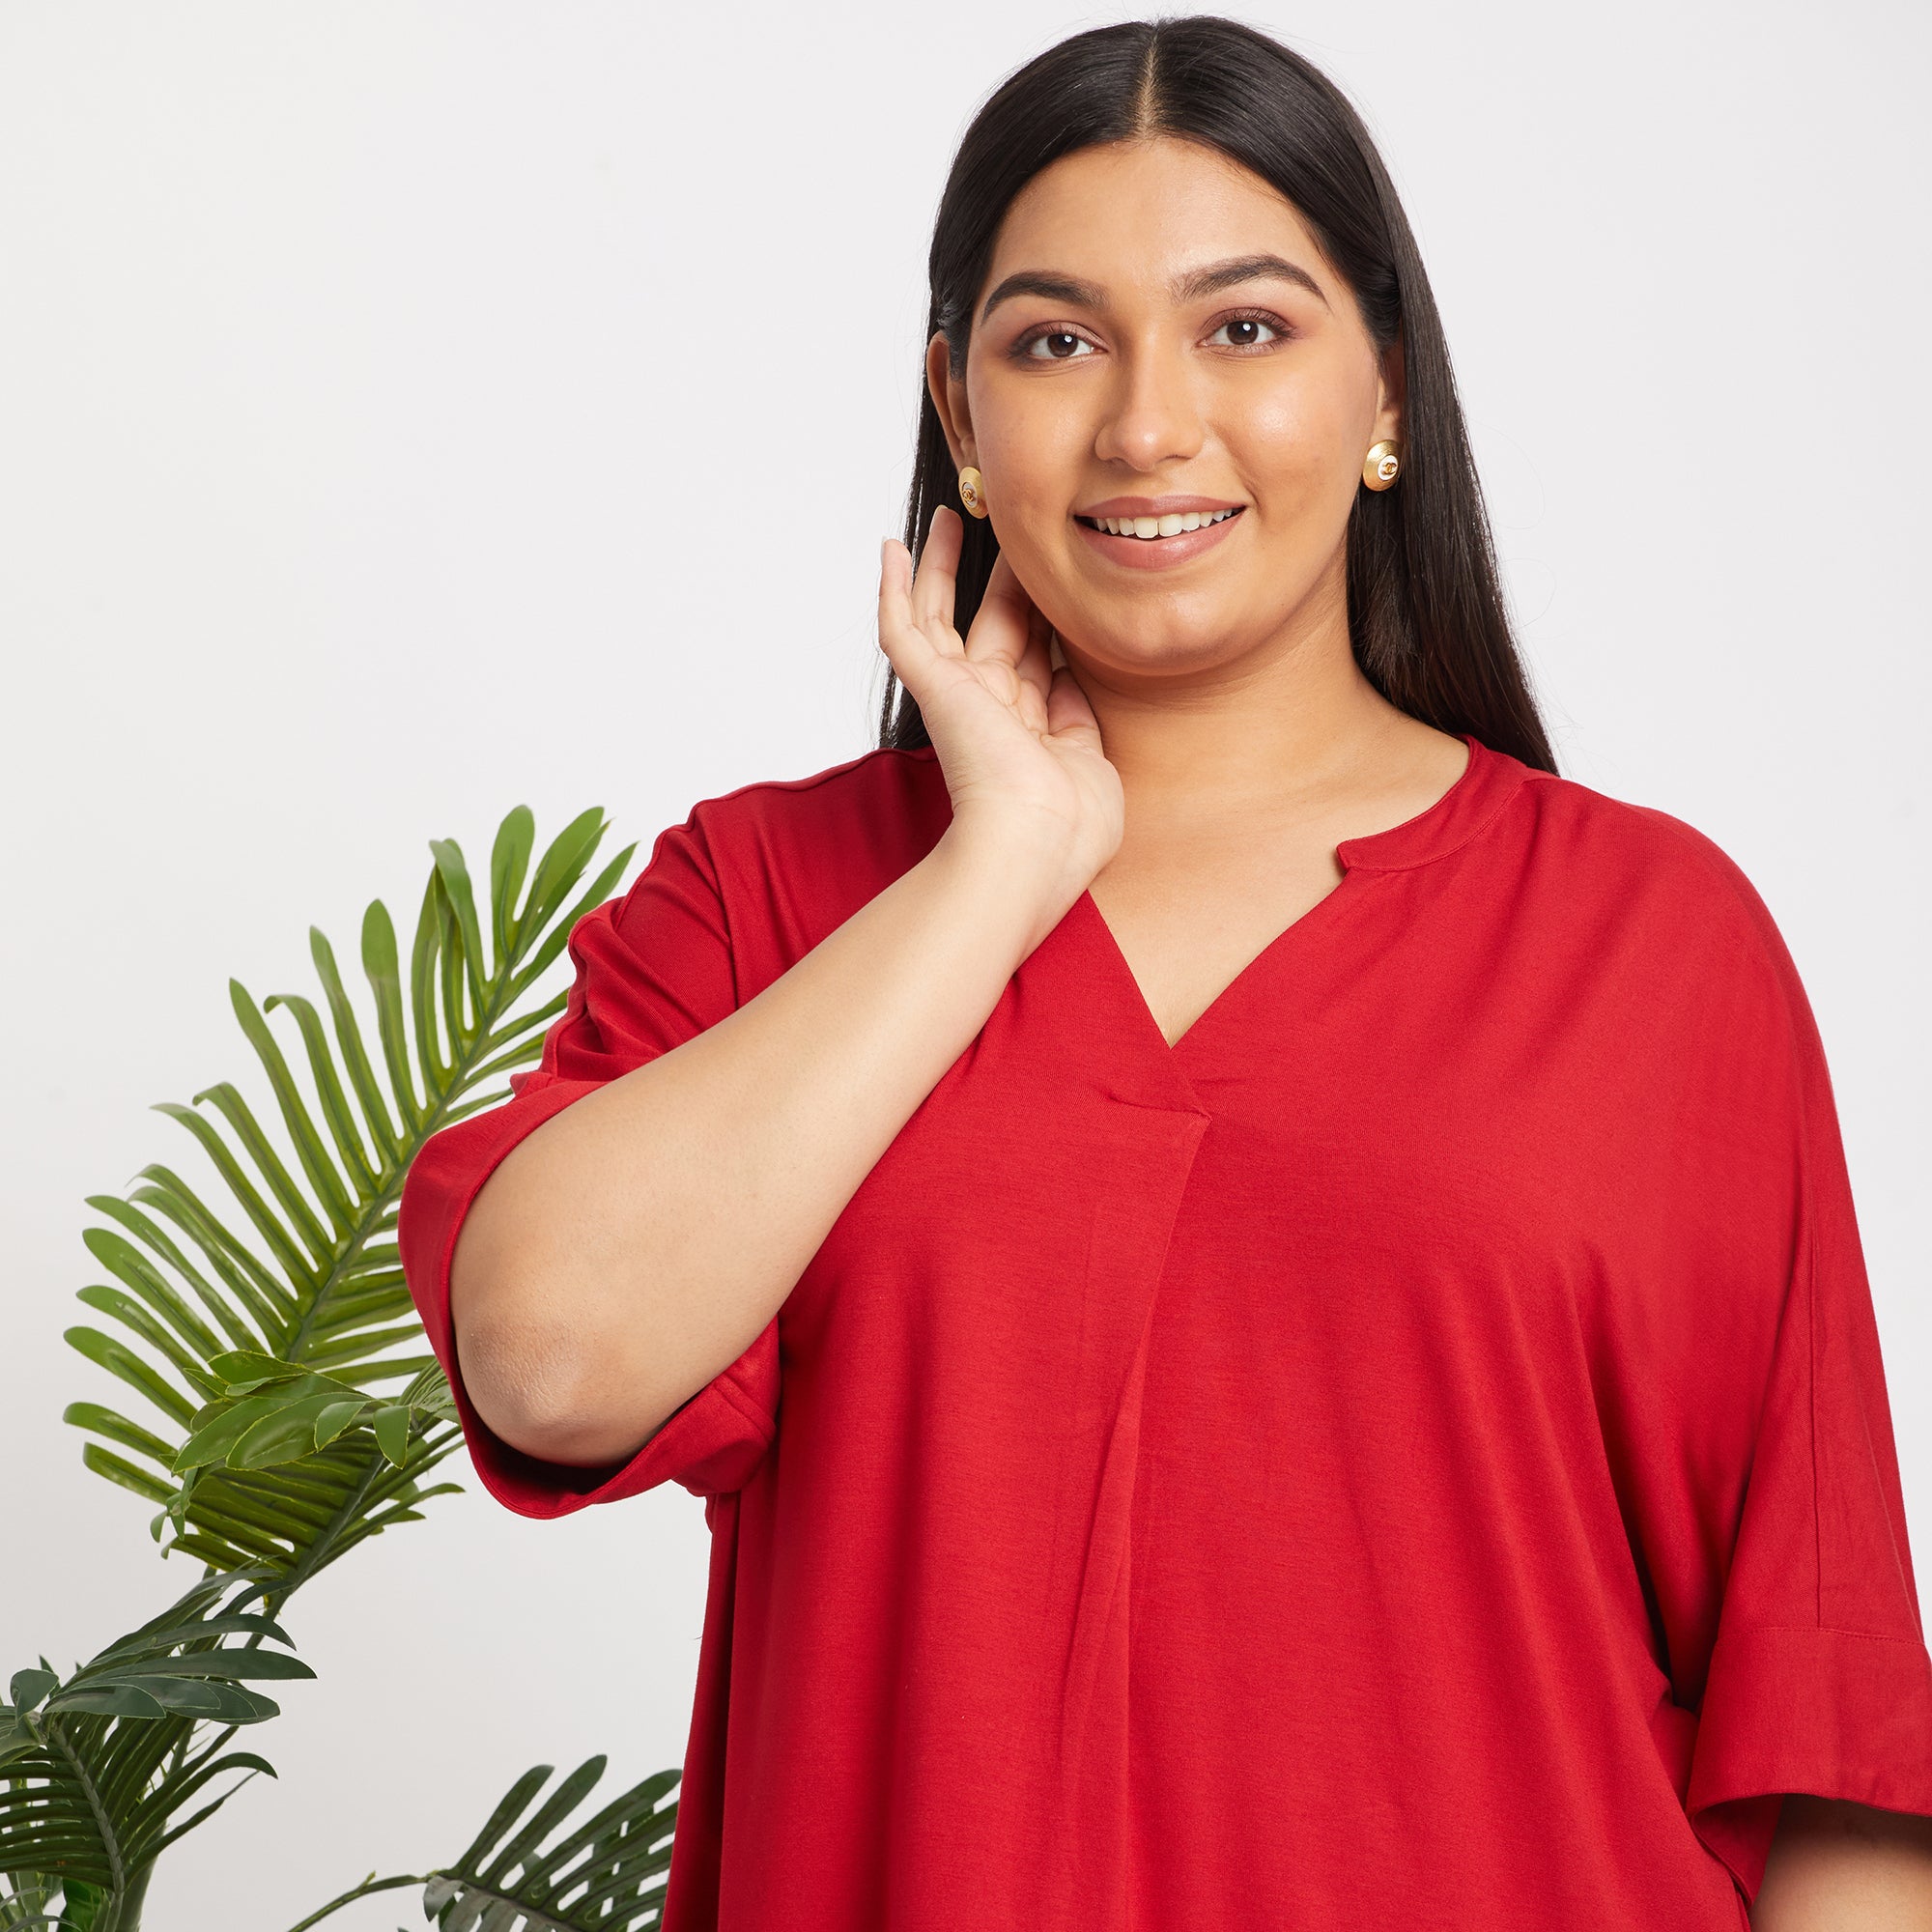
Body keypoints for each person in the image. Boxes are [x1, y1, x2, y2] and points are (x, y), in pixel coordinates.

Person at [398, 15, 1932, 1927]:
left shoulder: (1651, 943)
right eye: (1055, 341)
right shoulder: (768, 898)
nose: (1144, 425)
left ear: (1385, 392)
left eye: (1245, 328)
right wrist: (1004, 861)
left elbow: (1832, 1742)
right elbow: (549, 1362)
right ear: (961, 412)